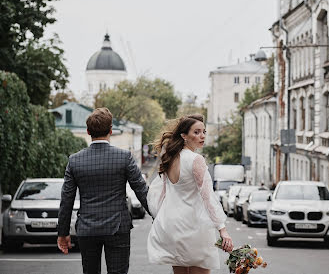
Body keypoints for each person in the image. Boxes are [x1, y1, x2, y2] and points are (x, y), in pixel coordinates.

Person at [57, 107, 150, 274]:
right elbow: (141, 190)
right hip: (117, 228)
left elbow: (67, 200)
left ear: (87, 131)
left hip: (87, 228)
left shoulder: (75, 160)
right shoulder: (124, 157)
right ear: (111, 130)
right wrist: (158, 216)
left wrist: (62, 233)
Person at [147, 114, 233, 274]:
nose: (202, 136)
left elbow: (160, 194)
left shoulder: (169, 157)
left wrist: (160, 219)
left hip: (172, 225)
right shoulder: (196, 160)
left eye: (204, 132)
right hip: (194, 227)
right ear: (184, 136)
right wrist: (222, 229)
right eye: (196, 132)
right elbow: (208, 197)